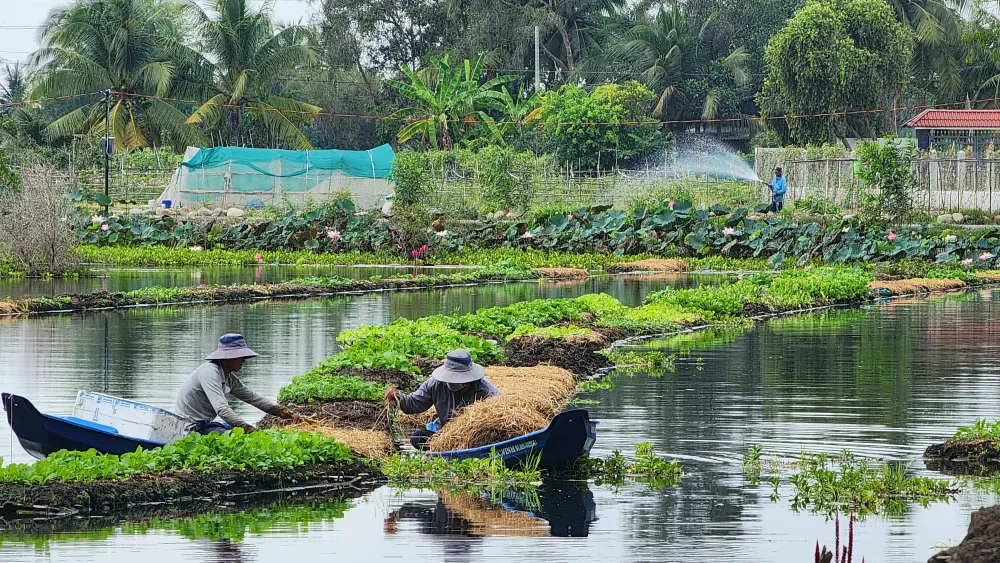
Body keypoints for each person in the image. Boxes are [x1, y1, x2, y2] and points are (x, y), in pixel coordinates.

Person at [174, 333, 293, 434]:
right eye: (240, 356)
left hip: (205, 424)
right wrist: (248, 428)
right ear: (228, 357)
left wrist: (282, 412)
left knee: (232, 428)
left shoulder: (229, 378)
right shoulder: (209, 373)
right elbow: (222, 409)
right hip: (189, 428)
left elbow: (253, 398)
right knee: (235, 436)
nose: (244, 360)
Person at [385, 349, 499, 450]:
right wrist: (397, 397)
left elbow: (496, 419)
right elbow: (414, 402)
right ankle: (443, 450)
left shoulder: (486, 391)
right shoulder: (435, 384)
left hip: (473, 437)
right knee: (418, 438)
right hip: (444, 434)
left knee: (483, 442)